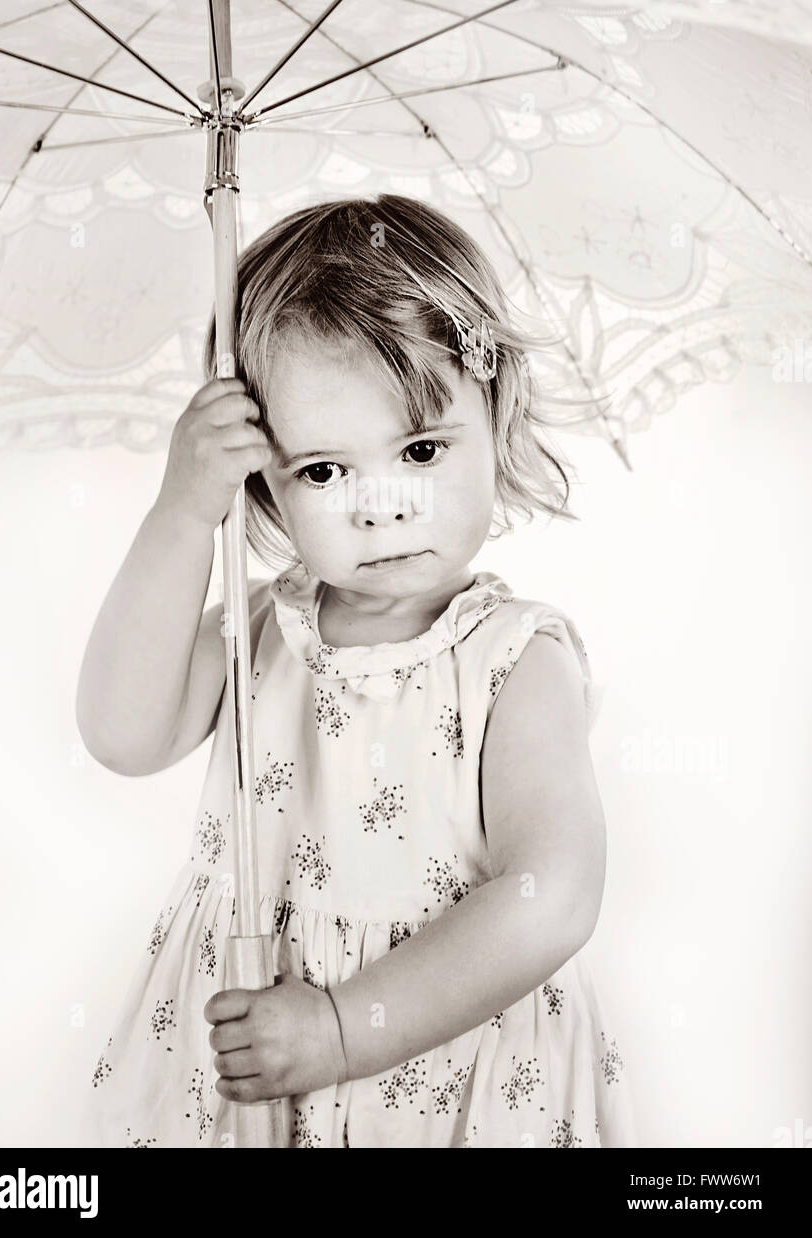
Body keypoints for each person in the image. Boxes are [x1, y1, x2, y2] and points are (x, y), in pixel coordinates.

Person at [76, 193, 636, 1148]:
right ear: (265, 479)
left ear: (493, 416)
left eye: (419, 449)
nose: (378, 505)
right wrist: (180, 512)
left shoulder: (513, 660)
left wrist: (343, 1029)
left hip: (446, 1062)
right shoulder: (263, 632)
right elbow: (123, 735)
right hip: (251, 1046)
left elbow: (554, 894)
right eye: (323, 471)